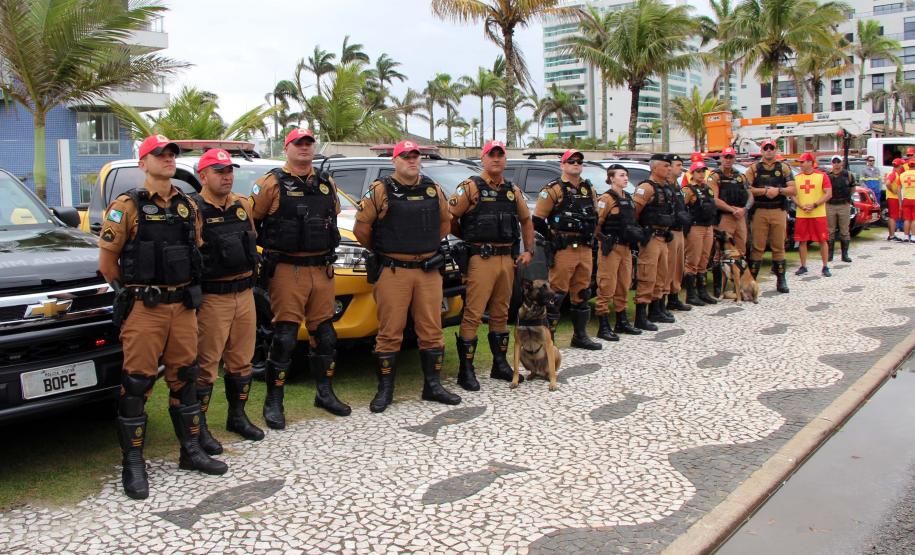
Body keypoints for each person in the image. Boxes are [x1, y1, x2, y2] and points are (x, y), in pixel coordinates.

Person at [98, 135, 227, 500]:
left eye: (171, 154)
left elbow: (194, 251)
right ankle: (133, 463)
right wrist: (133, 294)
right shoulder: (127, 206)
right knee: (137, 383)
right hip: (146, 309)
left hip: (182, 308)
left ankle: (190, 451)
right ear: (143, 163)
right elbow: (107, 263)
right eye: (160, 155)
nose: (168, 159)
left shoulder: (187, 205)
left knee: (185, 379)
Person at [251, 128, 350, 430]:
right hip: (287, 269)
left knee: (326, 334)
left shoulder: (326, 182)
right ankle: (274, 402)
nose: (304, 148)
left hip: (321, 268)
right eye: (298, 144)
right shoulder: (271, 183)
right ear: (287, 148)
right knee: (284, 336)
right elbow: (252, 223)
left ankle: (324, 393)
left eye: (308, 143)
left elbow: (332, 216)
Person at [354, 140, 461, 412]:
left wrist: (423, 246)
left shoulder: (433, 189)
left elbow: (445, 224)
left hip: (428, 271)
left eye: (415, 156)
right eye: (405, 156)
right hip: (394, 271)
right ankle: (385, 390)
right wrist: (386, 249)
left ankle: (433, 386)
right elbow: (361, 229)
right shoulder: (381, 190)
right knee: (390, 332)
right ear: (394, 160)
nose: (412, 160)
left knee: (432, 330)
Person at [191, 149, 264, 456]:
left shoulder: (242, 204)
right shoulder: (194, 209)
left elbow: (251, 239)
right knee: (206, 366)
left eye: (229, 171)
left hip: (244, 294)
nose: (226, 176)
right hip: (213, 298)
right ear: (203, 175)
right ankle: (199, 428)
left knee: (242, 361)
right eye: (219, 171)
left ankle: (237, 416)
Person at [448, 140, 534, 389]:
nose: (496, 158)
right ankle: (466, 371)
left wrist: (529, 250)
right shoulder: (470, 187)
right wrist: (468, 238)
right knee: (474, 314)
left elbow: (526, 220)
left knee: (501, 313)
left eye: (500, 155)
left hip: (507, 259)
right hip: (481, 259)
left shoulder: (512, 190)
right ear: (483, 159)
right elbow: (451, 218)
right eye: (491, 154)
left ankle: (500, 364)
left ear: (505, 159)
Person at [532, 149, 601, 350]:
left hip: (584, 248)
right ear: (562, 165)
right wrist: (552, 239)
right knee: (556, 294)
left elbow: (595, 215)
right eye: (571, 161)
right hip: (564, 249)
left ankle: (580, 336)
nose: (576, 164)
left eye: (579, 161)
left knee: (583, 292)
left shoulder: (588, 188)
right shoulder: (553, 189)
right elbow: (537, 220)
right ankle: (549, 340)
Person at [594, 164, 642, 341]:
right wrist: (603, 239)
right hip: (611, 248)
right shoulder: (606, 199)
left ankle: (621, 321)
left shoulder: (628, 198)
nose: (625, 178)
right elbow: (596, 224)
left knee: (624, 284)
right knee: (607, 285)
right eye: (621, 175)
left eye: (626, 175)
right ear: (611, 178)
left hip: (626, 248)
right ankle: (603, 324)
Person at [744, 139, 795, 293]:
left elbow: (793, 190)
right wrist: (765, 191)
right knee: (757, 247)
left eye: (771, 148)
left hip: (778, 210)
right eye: (765, 148)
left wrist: (778, 190)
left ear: (776, 150)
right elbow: (746, 188)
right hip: (759, 211)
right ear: (761, 151)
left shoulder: (784, 168)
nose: (768, 150)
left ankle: (781, 280)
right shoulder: (753, 168)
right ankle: (752, 281)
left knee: (779, 246)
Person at [632, 154, 675, 330]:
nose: (669, 169)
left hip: (663, 236)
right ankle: (641, 314)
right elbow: (634, 212)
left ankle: (656, 309)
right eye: (665, 165)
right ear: (654, 168)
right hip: (650, 237)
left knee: (661, 274)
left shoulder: (666, 188)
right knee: (647, 274)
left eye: (669, 166)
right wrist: (640, 232)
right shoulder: (646, 188)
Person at [707, 146, 750, 297]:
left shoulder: (740, 176)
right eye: (725, 157)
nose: (728, 160)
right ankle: (719, 289)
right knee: (720, 253)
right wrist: (732, 210)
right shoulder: (715, 176)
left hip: (740, 216)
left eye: (731, 157)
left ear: (734, 158)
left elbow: (750, 195)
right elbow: (714, 199)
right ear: (721, 158)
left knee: (741, 252)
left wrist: (744, 209)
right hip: (724, 217)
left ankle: (741, 287)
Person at [682, 162, 719, 306]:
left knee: (704, 260)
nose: (701, 174)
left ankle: (702, 292)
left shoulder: (707, 188)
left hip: (708, 227)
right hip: (695, 227)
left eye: (703, 171)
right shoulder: (688, 190)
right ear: (692, 173)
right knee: (693, 261)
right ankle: (691, 295)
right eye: (698, 171)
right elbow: (682, 208)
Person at [793, 152, 833, 277]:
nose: (800, 164)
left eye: (802, 162)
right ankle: (803, 266)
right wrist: (801, 206)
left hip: (818, 214)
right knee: (802, 240)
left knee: (822, 239)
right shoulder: (797, 177)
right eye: (800, 162)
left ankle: (825, 266)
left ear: (810, 162)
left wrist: (815, 204)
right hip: (802, 214)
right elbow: (792, 194)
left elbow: (828, 193)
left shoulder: (822, 176)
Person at [665, 154, 691, 313]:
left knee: (677, 267)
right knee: (668, 267)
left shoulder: (677, 186)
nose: (681, 168)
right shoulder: (664, 186)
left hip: (680, 231)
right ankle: (663, 299)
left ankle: (674, 297)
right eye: (678, 165)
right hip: (670, 232)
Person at [825, 156, 854, 263]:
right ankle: (829, 254)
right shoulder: (827, 176)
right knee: (830, 231)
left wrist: (848, 199)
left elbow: (853, 188)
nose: (836, 164)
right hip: (830, 205)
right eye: (834, 162)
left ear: (842, 163)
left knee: (845, 231)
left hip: (844, 205)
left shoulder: (848, 175)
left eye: (838, 161)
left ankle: (844, 255)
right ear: (832, 163)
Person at [885, 158, 904, 241]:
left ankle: (891, 235)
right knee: (893, 217)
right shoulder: (894, 174)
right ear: (899, 165)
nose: (902, 166)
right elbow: (888, 183)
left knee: (891, 217)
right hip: (893, 197)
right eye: (902, 165)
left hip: (890, 197)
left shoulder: (891, 173)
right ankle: (892, 236)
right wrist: (893, 190)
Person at [900, 155, 915, 242]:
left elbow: (899, 188)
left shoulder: (902, 175)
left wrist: (900, 201)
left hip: (906, 199)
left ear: (908, 165)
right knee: (914, 219)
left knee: (906, 219)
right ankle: (913, 237)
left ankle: (906, 237)